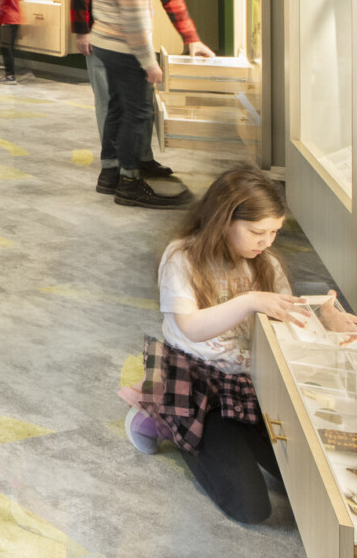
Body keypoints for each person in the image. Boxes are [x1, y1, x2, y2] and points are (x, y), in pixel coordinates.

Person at [119, 167, 357, 523]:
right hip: (198, 379)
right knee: (251, 508)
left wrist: (327, 325)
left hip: (254, 381)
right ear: (223, 219)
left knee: (308, 479)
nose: (267, 241)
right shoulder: (181, 257)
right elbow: (192, 327)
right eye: (257, 231)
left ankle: (222, 427)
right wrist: (249, 301)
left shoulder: (267, 265)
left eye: (274, 231)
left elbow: (285, 324)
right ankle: (169, 414)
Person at [73, 0, 210, 198]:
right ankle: (124, 174)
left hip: (123, 42)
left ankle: (136, 163)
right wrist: (81, 30)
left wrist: (192, 38)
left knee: (133, 107)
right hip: (113, 43)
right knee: (116, 105)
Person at [90, 0, 185, 208]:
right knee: (138, 113)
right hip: (126, 50)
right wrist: (149, 63)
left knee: (117, 108)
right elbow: (134, 25)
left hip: (105, 44)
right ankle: (130, 182)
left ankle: (109, 175)